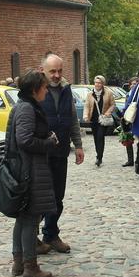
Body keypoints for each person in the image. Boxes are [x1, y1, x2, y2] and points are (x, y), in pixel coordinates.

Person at [8, 70, 57, 277]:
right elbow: (25, 140)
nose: (47, 90)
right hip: (29, 170)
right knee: (30, 218)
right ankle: (30, 267)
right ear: (35, 89)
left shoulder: (25, 105)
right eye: (44, 87)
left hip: (27, 168)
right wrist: (48, 142)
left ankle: (19, 263)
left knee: (23, 218)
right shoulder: (27, 108)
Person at [38, 53, 84, 253]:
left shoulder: (65, 89)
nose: (57, 75)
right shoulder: (36, 90)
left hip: (61, 151)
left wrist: (78, 145)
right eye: (52, 71)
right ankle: (31, 238)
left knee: (58, 197)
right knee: (39, 197)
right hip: (40, 153)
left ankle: (51, 234)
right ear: (42, 71)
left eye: (59, 71)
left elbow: (72, 118)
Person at [83, 75, 115, 167]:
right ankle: (98, 154)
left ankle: (99, 158)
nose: (97, 84)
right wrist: (85, 116)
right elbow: (87, 106)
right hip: (93, 119)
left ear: (103, 84)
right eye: (96, 82)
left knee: (100, 137)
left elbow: (113, 104)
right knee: (96, 138)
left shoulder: (108, 93)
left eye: (99, 83)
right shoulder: (90, 94)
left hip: (103, 119)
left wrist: (108, 112)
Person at [120, 77, 139, 167]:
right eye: (132, 84)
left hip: (137, 119)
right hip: (128, 119)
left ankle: (138, 160)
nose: (133, 85)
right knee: (128, 139)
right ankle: (130, 160)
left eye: (135, 84)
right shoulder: (128, 94)